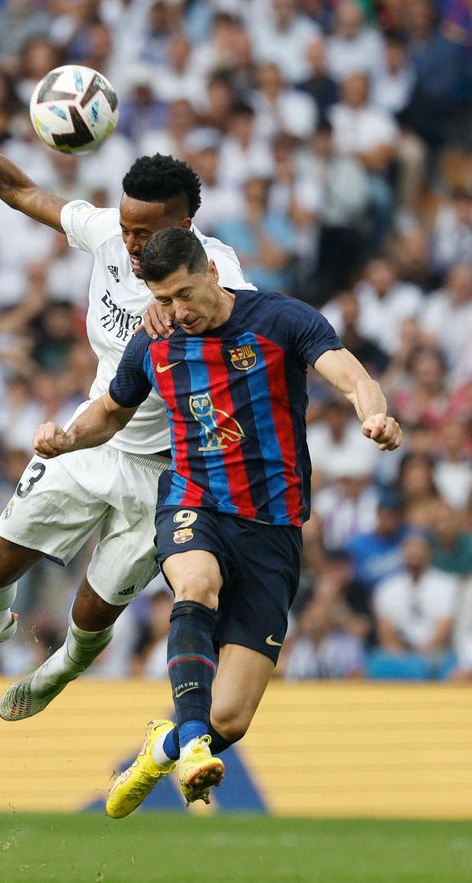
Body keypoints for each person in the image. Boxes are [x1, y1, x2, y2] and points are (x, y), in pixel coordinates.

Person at [0, 65, 250, 717]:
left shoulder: (216, 267)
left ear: (189, 225)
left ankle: (62, 667)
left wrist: (186, 304)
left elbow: (233, 304)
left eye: (151, 233)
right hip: (93, 434)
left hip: (169, 472)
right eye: (130, 230)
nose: (136, 246)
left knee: (90, 609)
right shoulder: (109, 236)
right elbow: (20, 189)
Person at [31, 228, 402, 814]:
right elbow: (110, 411)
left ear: (210, 271)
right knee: (196, 584)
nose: (177, 312)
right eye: (164, 300)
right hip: (193, 498)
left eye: (184, 294)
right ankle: (194, 741)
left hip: (273, 527)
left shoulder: (280, 319)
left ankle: (167, 746)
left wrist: (374, 415)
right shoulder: (154, 342)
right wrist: (67, 437)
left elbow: (352, 373)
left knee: (231, 716)